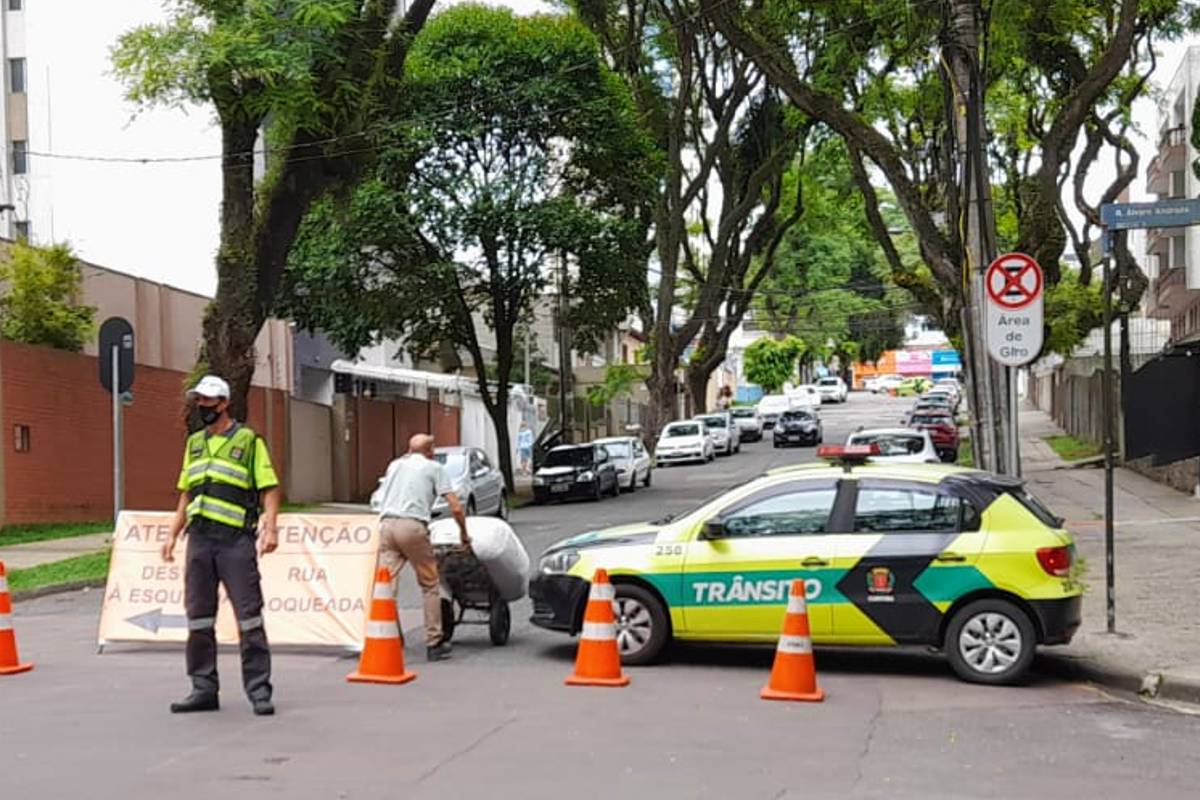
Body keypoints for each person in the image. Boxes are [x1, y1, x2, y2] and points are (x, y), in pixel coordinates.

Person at [161, 375, 281, 716]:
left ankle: (258, 690)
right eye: (199, 401)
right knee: (198, 617)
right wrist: (172, 533)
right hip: (199, 539)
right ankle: (203, 688)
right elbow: (187, 492)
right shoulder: (195, 443)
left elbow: (269, 487)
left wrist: (270, 529)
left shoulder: (248, 440)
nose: (203, 407)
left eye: (209, 402)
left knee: (249, 617)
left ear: (224, 403)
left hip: (234, 541)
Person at [375, 434, 470, 661]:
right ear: (430, 450)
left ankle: (387, 637)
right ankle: (434, 641)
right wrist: (464, 535)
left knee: (385, 585)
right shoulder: (434, 468)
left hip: (386, 526)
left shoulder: (395, 465)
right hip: (412, 526)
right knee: (430, 584)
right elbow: (456, 507)